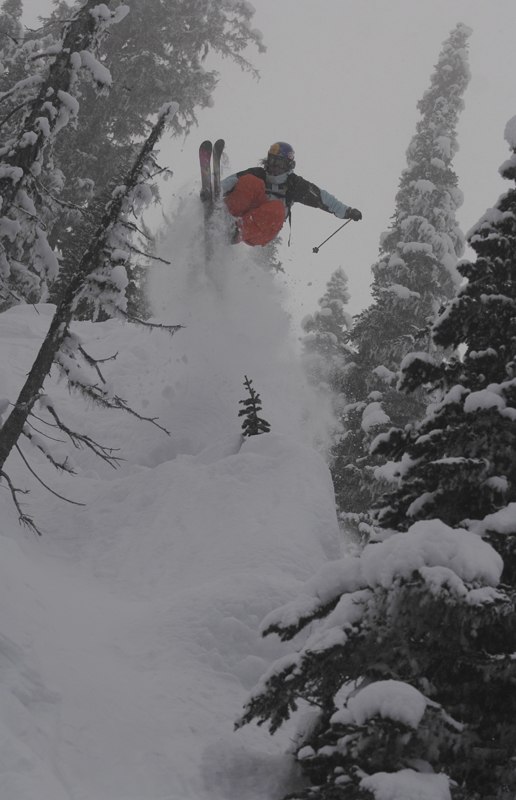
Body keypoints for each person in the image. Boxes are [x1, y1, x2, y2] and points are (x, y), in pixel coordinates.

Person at [219, 141, 362, 247]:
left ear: (288, 165)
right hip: (241, 215)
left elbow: (323, 198)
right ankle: (220, 217)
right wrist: (215, 192)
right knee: (250, 182)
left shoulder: (294, 185)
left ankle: (235, 231)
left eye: (279, 164)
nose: (274, 167)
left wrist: (347, 211)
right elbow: (232, 182)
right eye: (272, 161)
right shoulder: (258, 174)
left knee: (277, 208)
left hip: (262, 230)